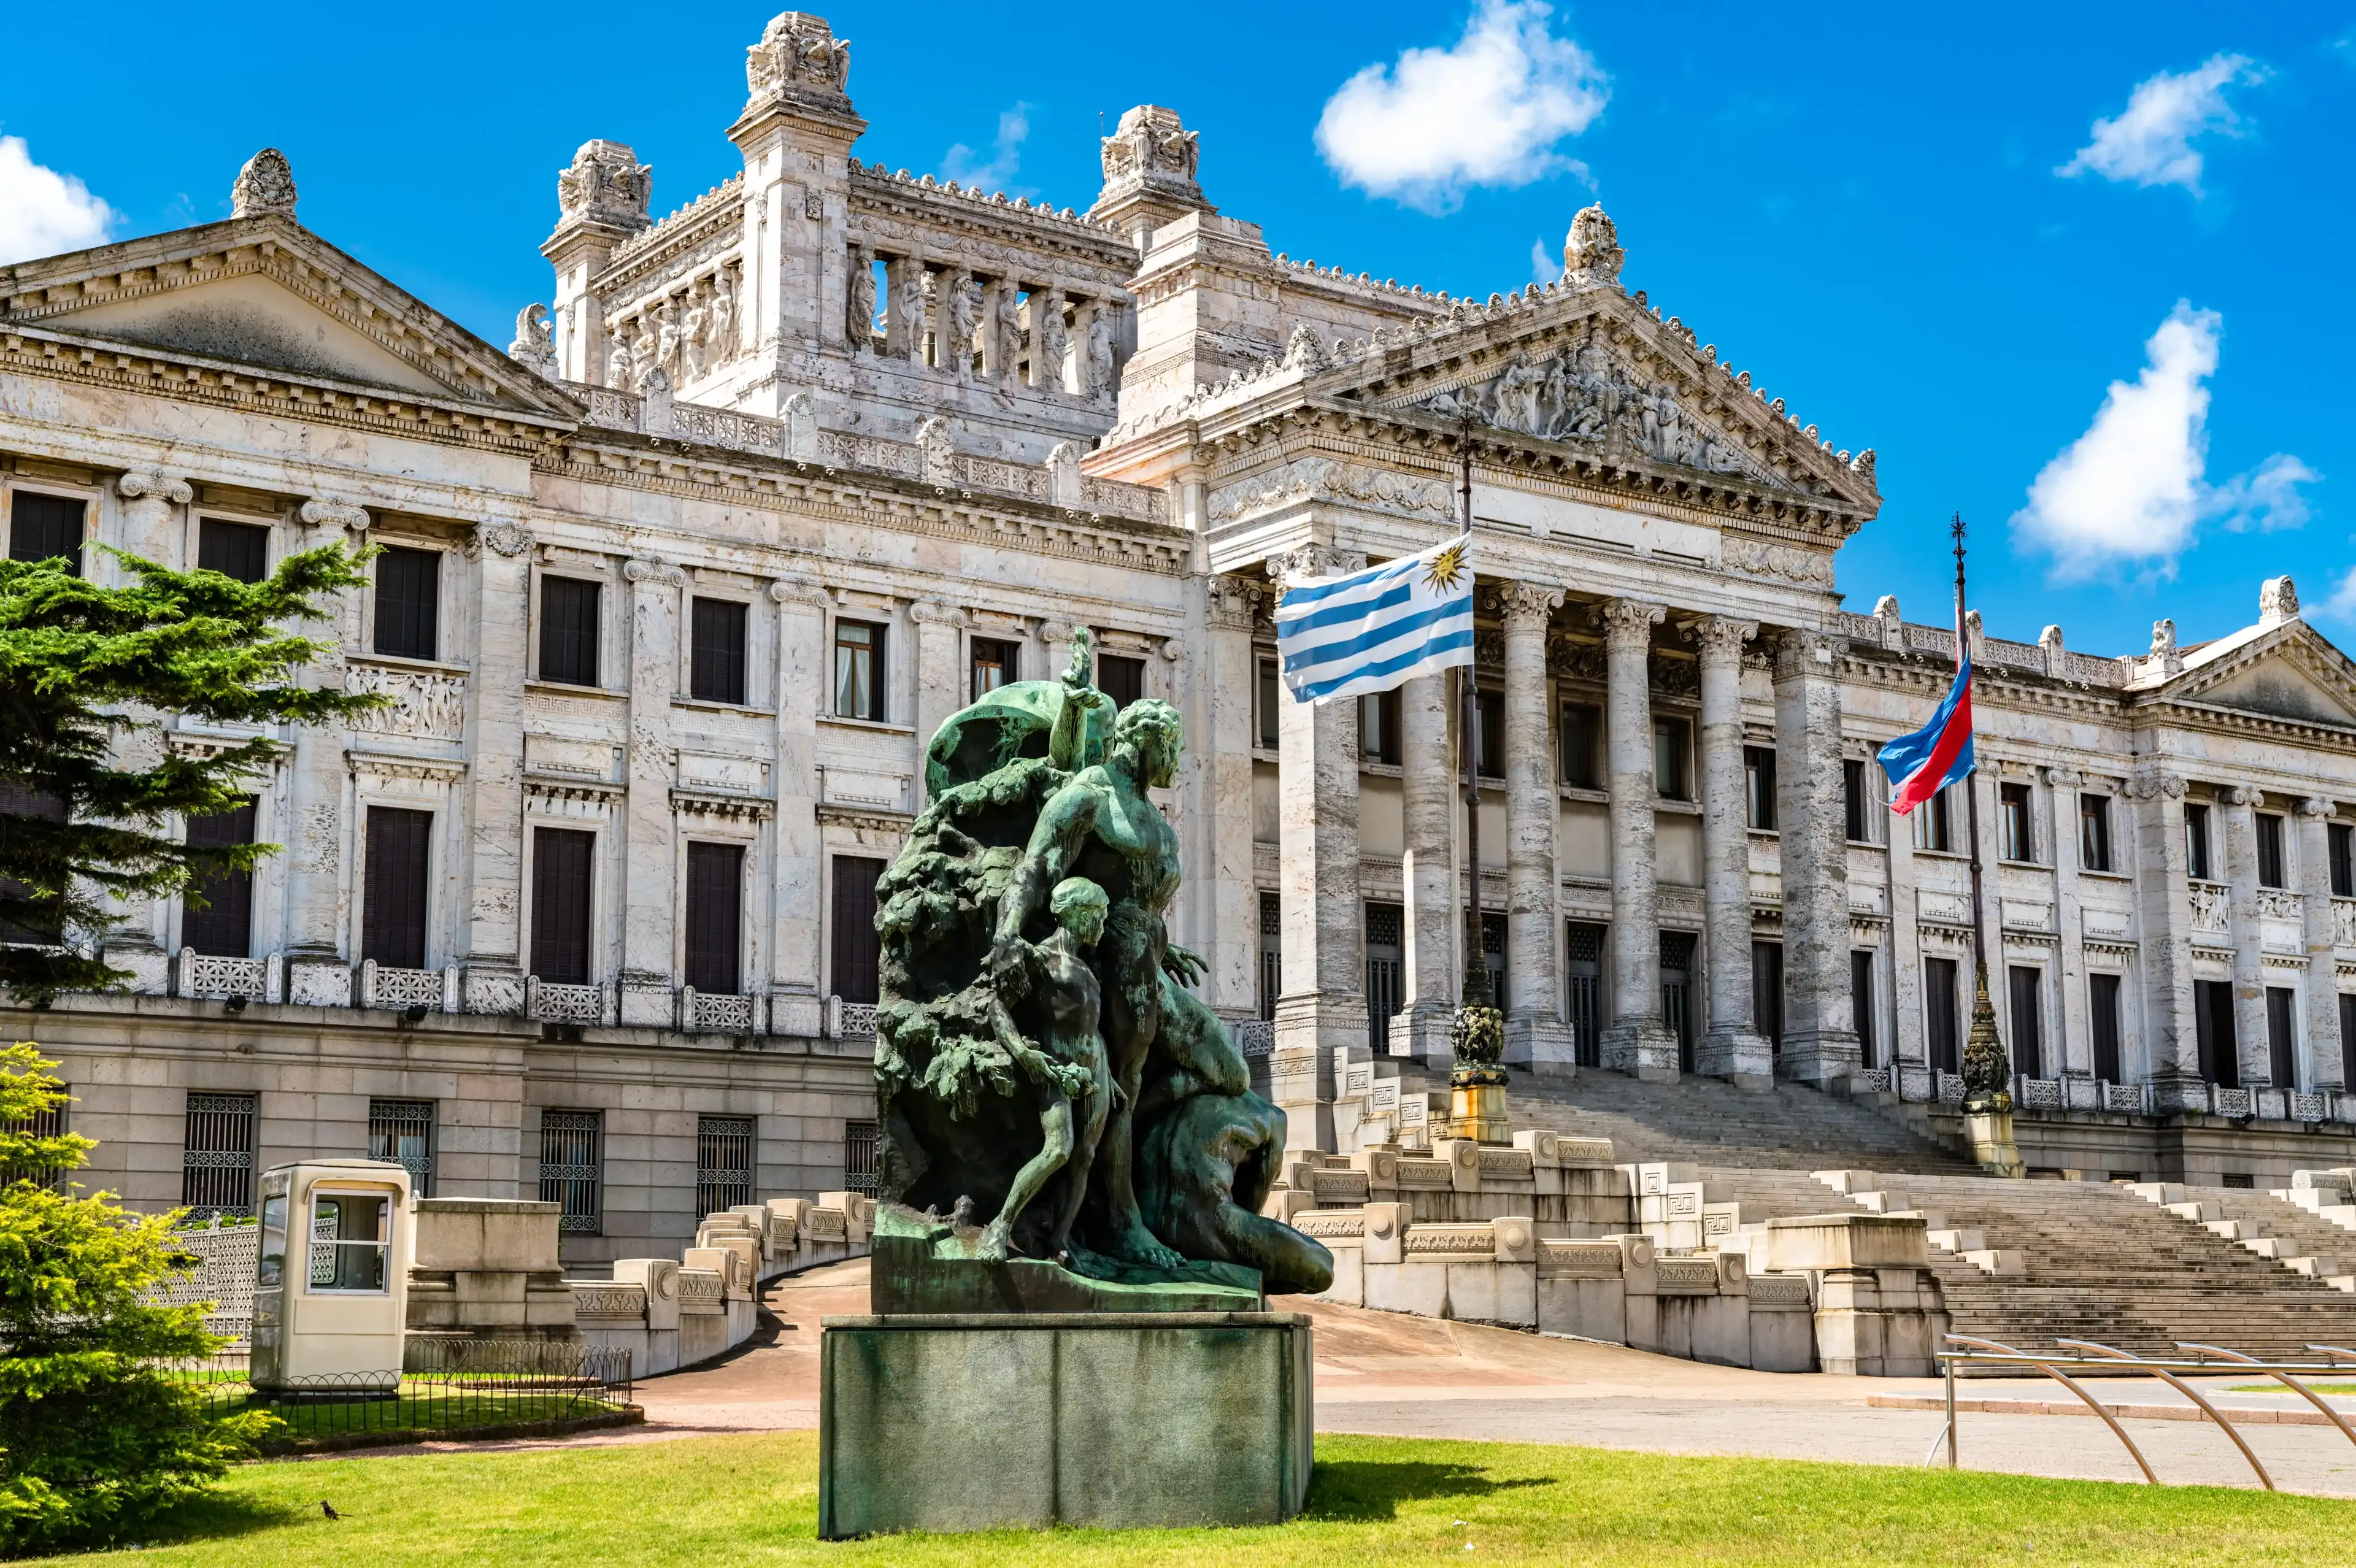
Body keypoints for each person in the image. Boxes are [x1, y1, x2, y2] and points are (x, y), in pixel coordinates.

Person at [977, 877, 1114, 1263]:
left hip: (1096, 1069)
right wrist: (1023, 1053)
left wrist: (1110, 1075)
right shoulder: (1040, 959)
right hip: (1056, 1065)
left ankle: (1060, 1239)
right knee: (1058, 1150)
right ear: (1078, 915)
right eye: (1098, 916)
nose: (1102, 926)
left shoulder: (1086, 966)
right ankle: (999, 1226)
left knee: (1085, 1157)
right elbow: (997, 1008)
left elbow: (1092, 1026)